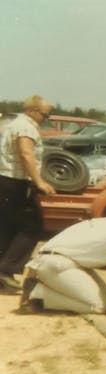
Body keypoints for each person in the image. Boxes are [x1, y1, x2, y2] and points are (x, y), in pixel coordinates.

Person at [19, 205, 106, 318]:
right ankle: (37, 294)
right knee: (98, 306)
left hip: (63, 261)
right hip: (54, 262)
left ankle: (44, 288)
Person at [0, 95, 56, 291]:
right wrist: (39, 181)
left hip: (6, 180)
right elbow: (25, 153)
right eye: (45, 115)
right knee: (32, 227)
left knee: (9, 228)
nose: (45, 119)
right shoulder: (25, 127)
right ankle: (7, 269)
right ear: (32, 110)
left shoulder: (14, 124)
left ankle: (3, 275)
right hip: (18, 183)